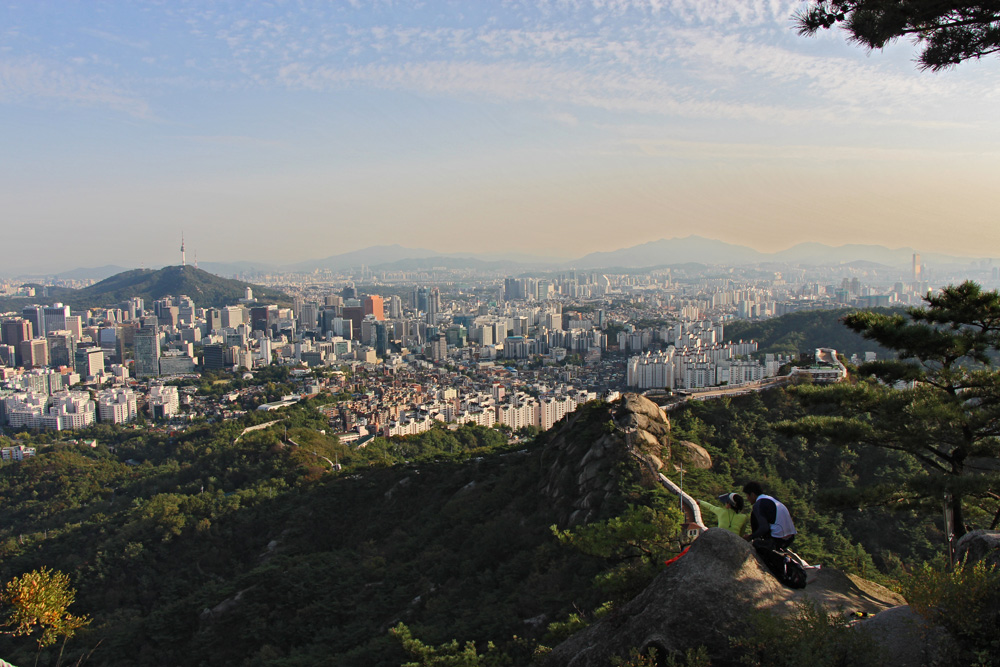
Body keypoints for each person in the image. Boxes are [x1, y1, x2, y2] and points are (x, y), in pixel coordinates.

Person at [742, 481, 796, 551]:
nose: (747, 498)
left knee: (756, 543)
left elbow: (764, 528)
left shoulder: (758, 505)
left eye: (747, 496)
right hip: (789, 539)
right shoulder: (773, 499)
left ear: (752, 494)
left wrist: (750, 537)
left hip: (778, 540)